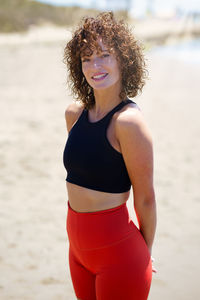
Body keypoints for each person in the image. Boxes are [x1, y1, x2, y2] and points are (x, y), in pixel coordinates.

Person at [63, 11, 157, 300]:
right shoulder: (74, 114)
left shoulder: (128, 123)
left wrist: (146, 253)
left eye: (104, 55)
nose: (95, 65)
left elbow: (145, 198)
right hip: (77, 252)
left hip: (120, 257)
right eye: (87, 58)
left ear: (123, 60)